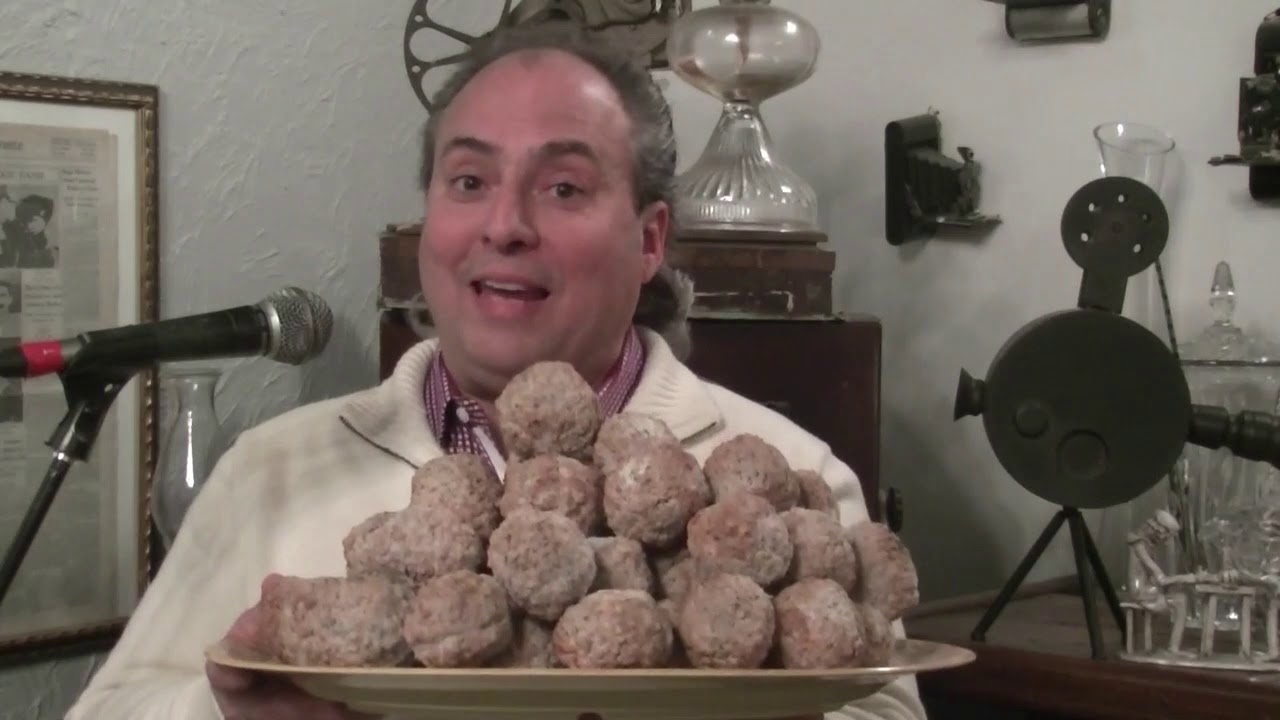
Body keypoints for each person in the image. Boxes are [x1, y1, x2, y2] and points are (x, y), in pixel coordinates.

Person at [65, 22, 926, 720]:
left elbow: (878, 708)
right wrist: (226, 715)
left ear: (649, 241)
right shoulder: (272, 469)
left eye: (563, 188)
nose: (505, 224)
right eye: (470, 180)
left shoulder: (792, 479)